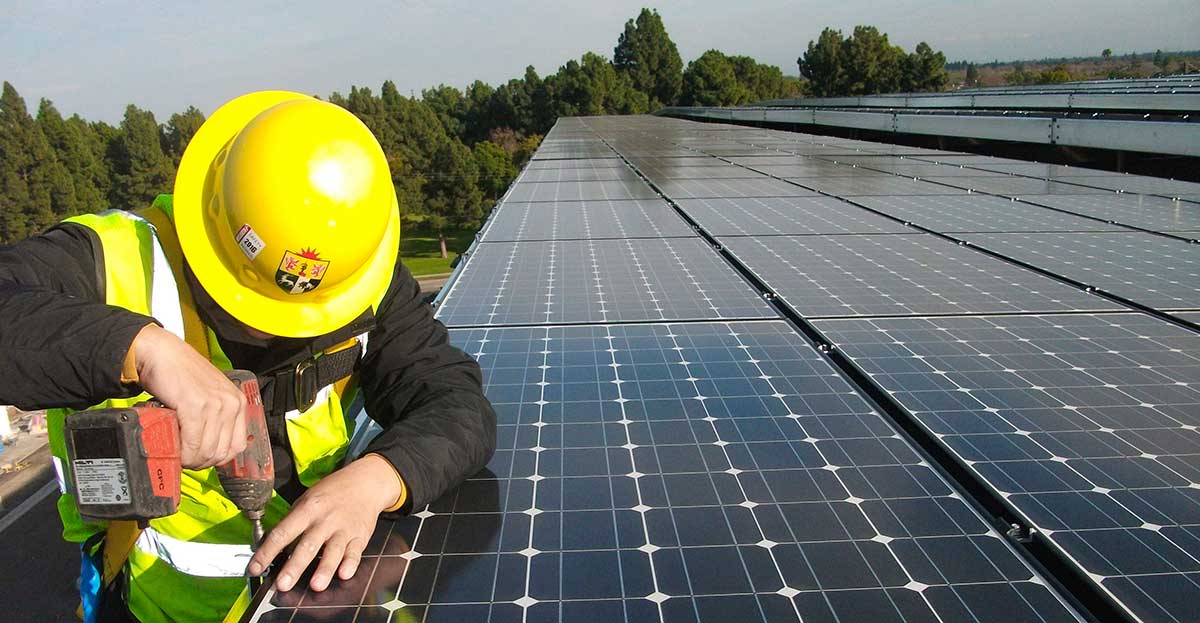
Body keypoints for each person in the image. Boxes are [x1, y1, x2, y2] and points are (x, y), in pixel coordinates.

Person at [0, 91, 497, 623]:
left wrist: (381, 476)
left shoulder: (359, 279)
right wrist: (139, 347)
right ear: (214, 219)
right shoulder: (112, 262)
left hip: (318, 602)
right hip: (161, 609)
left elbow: (458, 405)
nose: (279, 328)